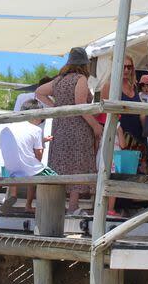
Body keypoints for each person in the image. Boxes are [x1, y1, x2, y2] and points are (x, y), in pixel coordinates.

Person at [36, 47, 103, 215]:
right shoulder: (80, 78)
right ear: (84, 64)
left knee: (61, 163)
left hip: (60, 127)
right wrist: (95, 125)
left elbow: (39, 93)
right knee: (77, 164)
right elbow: (80, 104)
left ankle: (56, 205)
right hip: (77, 128)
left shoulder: (59, 80)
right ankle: (73, 206)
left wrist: (57, 108)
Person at [0, 99, 57, 213]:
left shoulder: (6, 129)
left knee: (24, 165)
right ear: (36, 115)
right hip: (30, 171)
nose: (41, 120)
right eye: (41, 117)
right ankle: (48, 208)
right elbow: (38, 155)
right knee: (55, 178)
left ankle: (12, 194)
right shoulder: (36, 130)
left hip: (10, 171)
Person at [101, 54, 148, 174]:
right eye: (124, 67)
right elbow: (105, 114)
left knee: (140, 176)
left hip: (138, 137)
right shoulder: (109, 86)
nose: (127, 70)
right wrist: (119, 131)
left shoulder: (134, 86)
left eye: (129, 67)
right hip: (119, 137)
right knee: (119, 175)